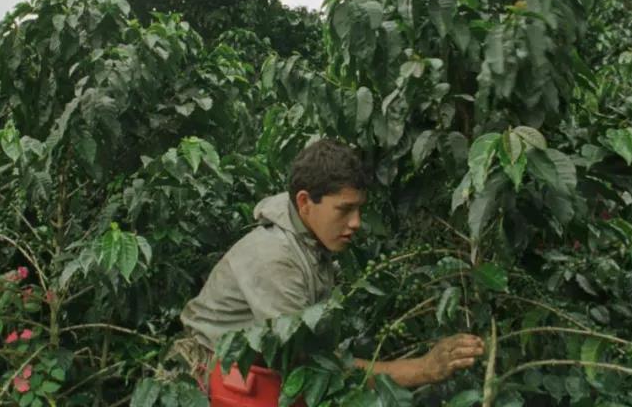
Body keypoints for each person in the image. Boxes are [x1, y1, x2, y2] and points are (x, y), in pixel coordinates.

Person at [174, 138, 484, 392]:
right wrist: (420, 369)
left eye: (359, 209)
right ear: (305, 202)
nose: (356, 223)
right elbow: (309, 366)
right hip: (206, 380)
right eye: (344, 210)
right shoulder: (273, 257)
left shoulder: (310, 236)